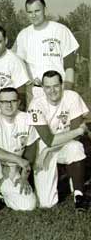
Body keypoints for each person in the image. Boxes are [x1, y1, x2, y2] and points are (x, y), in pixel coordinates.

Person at [28, 71, 89, 211]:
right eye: (48, 87)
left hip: (65, 142)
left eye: (56, 86)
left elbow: (76, 135)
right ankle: (66, 178)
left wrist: (48, 149)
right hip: (43, 144)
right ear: (43, 88)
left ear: (62, 85)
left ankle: (79, 195)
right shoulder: (36, 104)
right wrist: (47, 149)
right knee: (46, 203)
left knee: (76, 147)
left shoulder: (72, 97)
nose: (52, 91)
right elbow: (48, 140)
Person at [0, 88, 37, 214]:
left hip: (15, 170)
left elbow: (30, 153)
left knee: (29, 204)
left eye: (13, 101)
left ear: (19, 102)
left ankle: (0, 194)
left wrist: (24, 177)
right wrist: (17, 159)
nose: (9, 105)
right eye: (4, 102)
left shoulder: (26, 119)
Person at [13, 0, 79, 97]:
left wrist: (68, 93)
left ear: (45, 10)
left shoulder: (61, 30)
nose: (33, 15)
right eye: (30, 12)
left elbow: (70, 66)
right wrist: (28, 78)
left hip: (59, 90)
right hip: (36, 91)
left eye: (37, 11)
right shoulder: (23, 35)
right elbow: (19, 64)